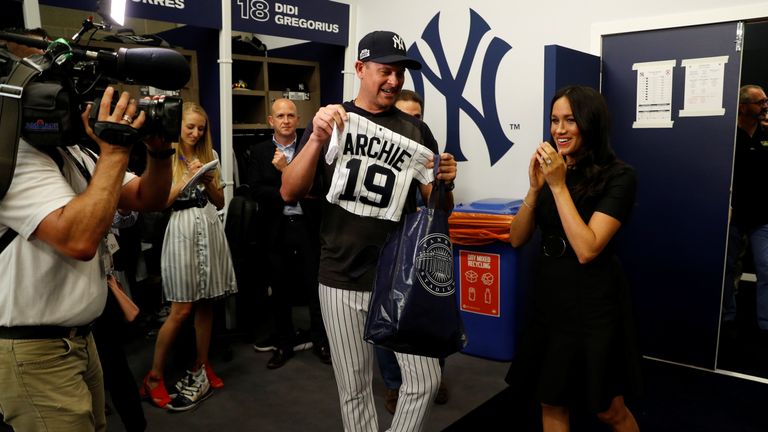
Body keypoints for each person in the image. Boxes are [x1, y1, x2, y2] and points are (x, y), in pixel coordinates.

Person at [280, 30, 458, 432]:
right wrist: (317, 138)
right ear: (360, 69)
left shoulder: (416, 131)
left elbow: (438, 208)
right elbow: (290, 190)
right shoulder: (332, 119)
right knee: (355, 389)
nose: (393, 80)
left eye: (398, 73)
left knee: (425, 379)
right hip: (340, 274)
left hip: (397, 277)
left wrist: (446, 181)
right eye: (384, 71)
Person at [0, 56, 174, 432]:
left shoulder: (73, 152)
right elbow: (79, 239)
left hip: (80, 338)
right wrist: (115, 151)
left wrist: (158, 152)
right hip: (35, 351)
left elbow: (148, 197)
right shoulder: (12, 159)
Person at [507, 85, 641, 431]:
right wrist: (535, 189)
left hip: (595, 303)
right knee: (551, 399)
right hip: (551, 297)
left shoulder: (620, 176)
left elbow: (588, 248)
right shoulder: (553, 175)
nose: (559, 130)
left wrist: (557, 186)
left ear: (590, 123)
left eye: (570, 120)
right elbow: (517, 237)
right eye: (554, 120)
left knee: (607, 408)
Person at [140, 102, 238, 412]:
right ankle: (154, 376)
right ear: (178, 128)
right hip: (181, 229)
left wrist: (207, 179)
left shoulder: (209, 155)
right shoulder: (163, 156)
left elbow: (221, 201)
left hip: (208, 225)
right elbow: (159, 202)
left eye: (200, 128)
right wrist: (186, 179)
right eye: (190, 127)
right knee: (181, 309)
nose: (196, 133)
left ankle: (201, 365)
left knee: (207, 303)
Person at [376, 89, 449, 415]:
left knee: (430, 313)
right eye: (405, 116)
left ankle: (434, 376)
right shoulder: (376, 159)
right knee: (388, 319)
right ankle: (394, 384)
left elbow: (444, 208)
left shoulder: (430, 158)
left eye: (416, 117)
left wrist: (442, 187)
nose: (411, 123)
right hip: (386, 250)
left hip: (423, 251)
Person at [245, 98, 331, 369]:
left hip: (308, 228)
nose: (285, 120)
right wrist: (290, 192)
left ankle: (321, 341)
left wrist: (285, 171)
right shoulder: (258, 152)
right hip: (275, 230)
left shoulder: (312, 148)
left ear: (297, 119)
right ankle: (283, 344)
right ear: (271, 120)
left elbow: (319, 190)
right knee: (279, 289)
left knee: (315, 288)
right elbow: (256, 191)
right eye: (280, 116)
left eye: (290, 115)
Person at [723, 85, 768, 334]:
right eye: (759, 102)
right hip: (733, 216)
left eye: (766, 101)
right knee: (727, 268)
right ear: (742, 106)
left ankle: (765, 323)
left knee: (766, 267)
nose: (765, 106)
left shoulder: (766, 133)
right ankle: (727, 315)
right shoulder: (727, 135)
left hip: (762, 217)